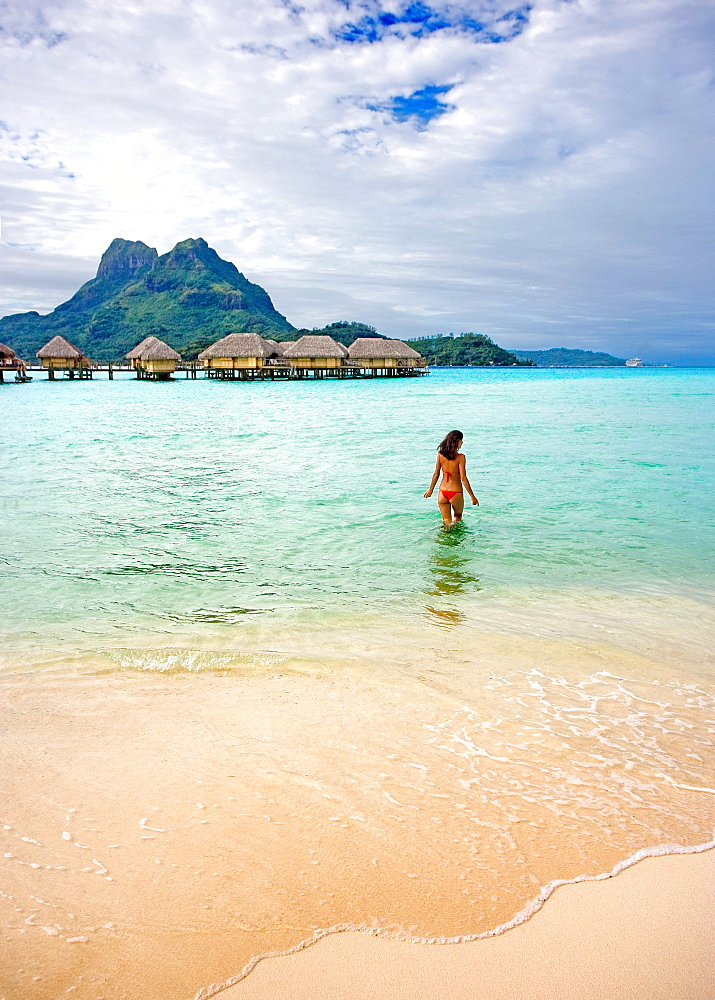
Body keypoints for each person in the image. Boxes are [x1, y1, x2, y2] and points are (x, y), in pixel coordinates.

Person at [424, 429, 479, 527]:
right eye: (461, 440)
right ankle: (455, 541)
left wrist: (430, 490)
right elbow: (463, 478)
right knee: (457, 517)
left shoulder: (440, 455)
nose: (462, 442)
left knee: (446, 521)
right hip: (455, 493)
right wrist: (472, 496)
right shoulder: (461, 457)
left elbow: (436, 474)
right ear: (456, 441)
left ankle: (445, 539)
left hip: (442, 492)